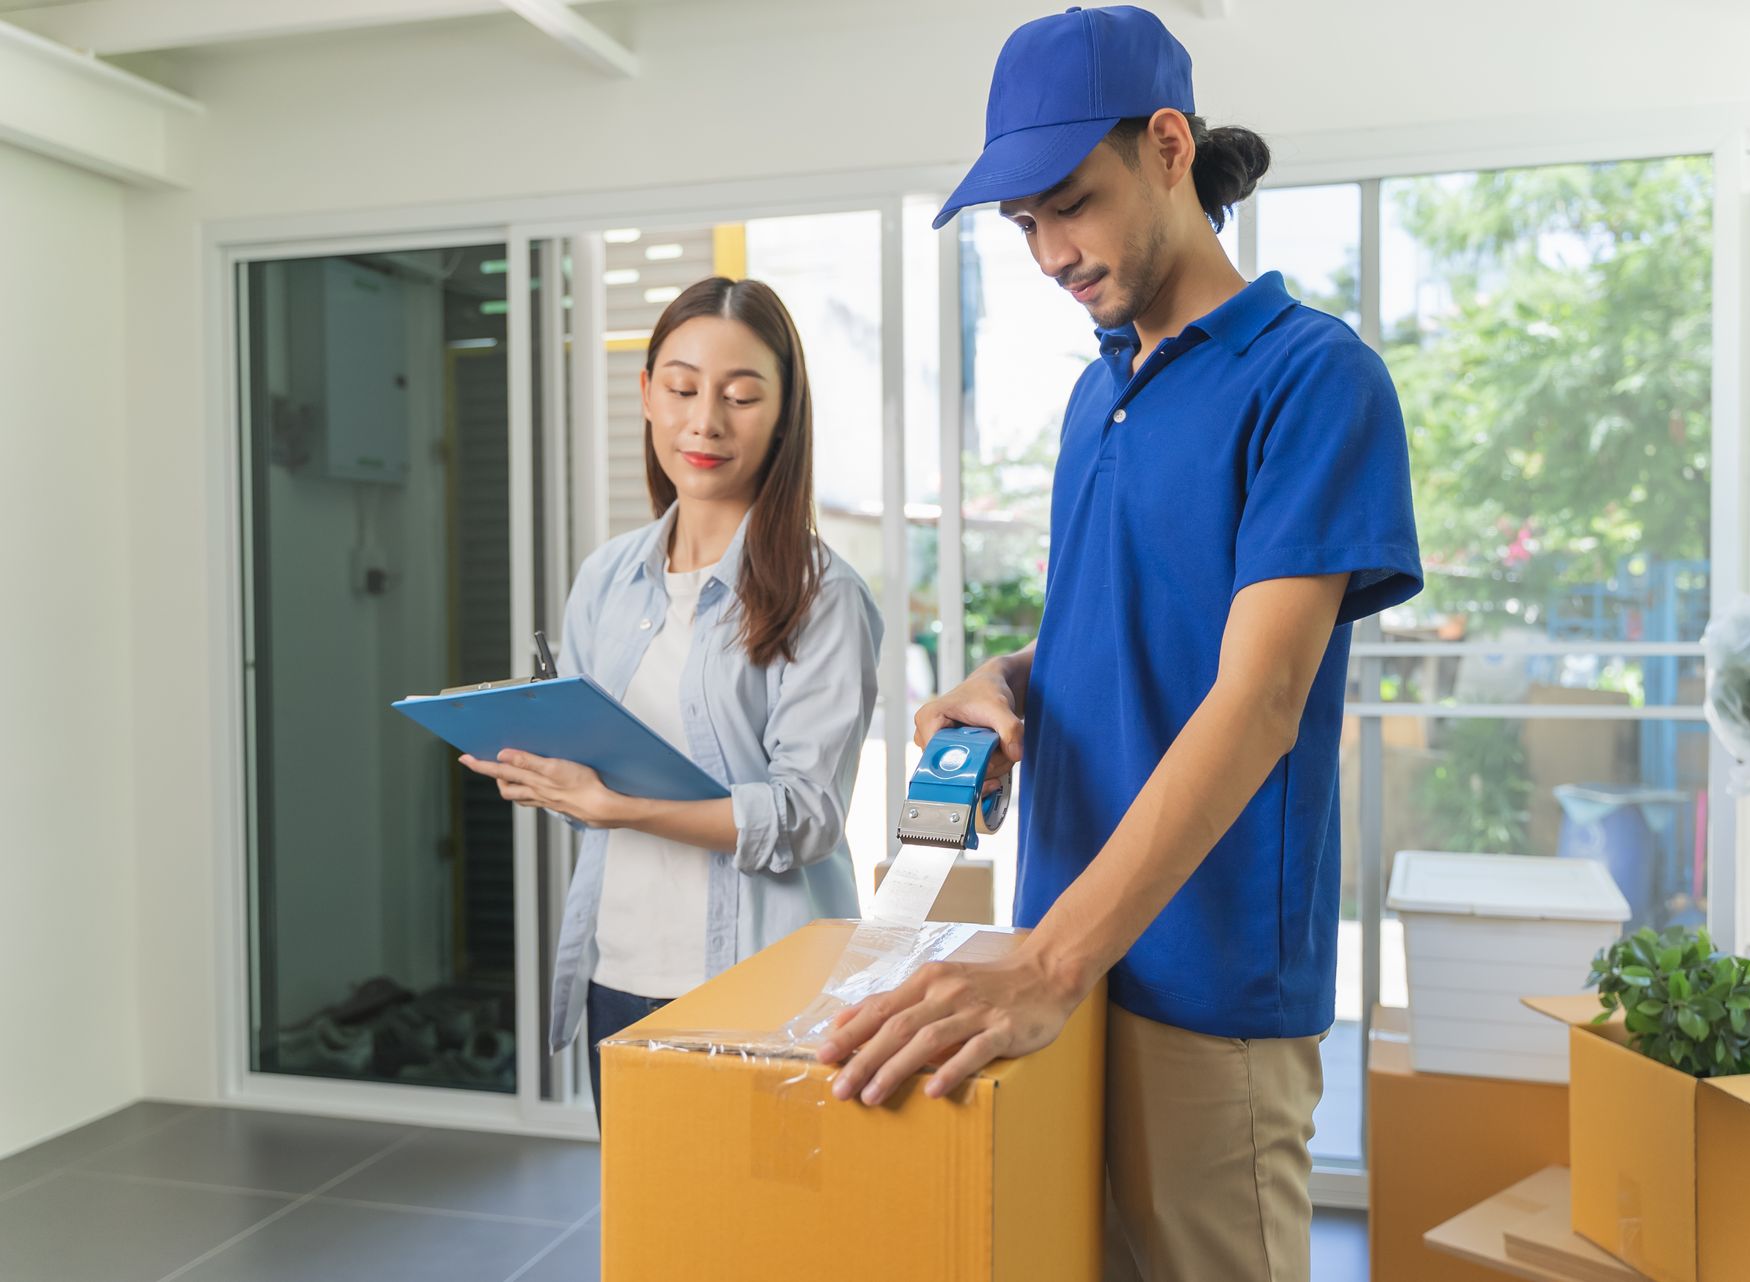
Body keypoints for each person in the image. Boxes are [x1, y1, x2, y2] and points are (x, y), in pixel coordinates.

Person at [815, 8, 1422, 1281]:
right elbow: (1131, 630)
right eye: (1023, 226)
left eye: (1070, 206)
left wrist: (1044, 959)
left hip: (1202, 992)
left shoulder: (1313, 380)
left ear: (1166, 145)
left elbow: (1258, 701)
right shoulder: (1103, 387)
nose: (1048, 253)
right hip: (1069, 961)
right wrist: (1009, 684)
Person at [460, 276, 881, 1118]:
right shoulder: (607, 579)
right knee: (649, 1244)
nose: (706, 422)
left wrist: (618, 806)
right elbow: (591, 789)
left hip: (760, 983)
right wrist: (548, 778)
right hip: (618, 970)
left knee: (755, 1243)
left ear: (785, 411)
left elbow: (804, 818)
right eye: (683, 389)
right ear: (647, 393)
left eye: (741, 396)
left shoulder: (822, 595)